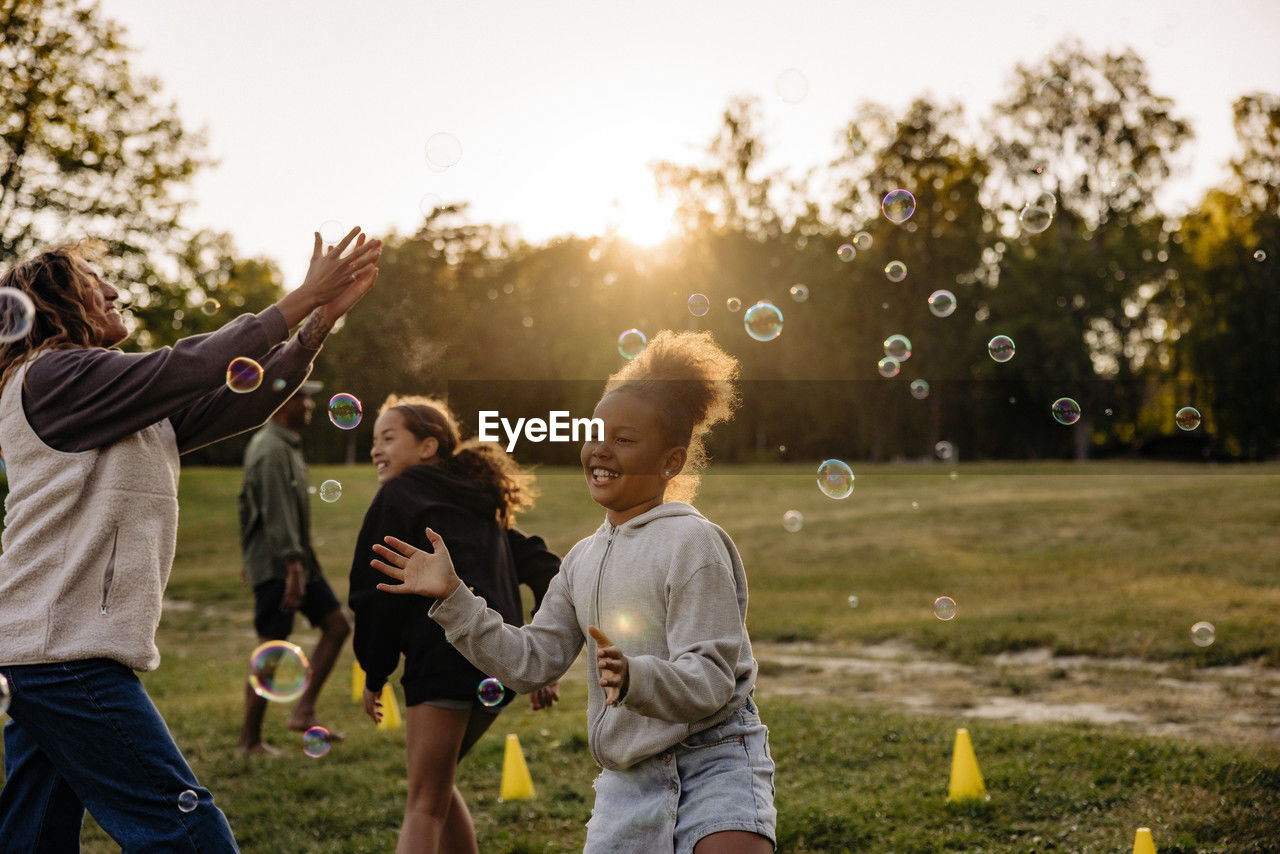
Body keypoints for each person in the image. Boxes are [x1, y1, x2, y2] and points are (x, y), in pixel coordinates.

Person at [0, 228, 380, 852]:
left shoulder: (106, 396)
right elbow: (190, 365)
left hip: (42, 652)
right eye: (99, 286)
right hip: (64, 651)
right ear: (62, 308)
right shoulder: (55, 375)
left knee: (33, 839)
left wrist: (315, 324)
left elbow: (237, 397)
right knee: (189, 834)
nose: (117, 292)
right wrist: (297, 297)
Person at [370, 331, 777, 854]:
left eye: (625, 440)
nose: (601, 450)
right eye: (595, 434)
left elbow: (714, 679)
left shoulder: (692, 543)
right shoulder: (583, 560)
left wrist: (636, 676)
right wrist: (454, 598)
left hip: (714, 757)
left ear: (671, 462)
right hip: (628, 777)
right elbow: (530, 663)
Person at [348, 395, 562, 854]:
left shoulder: (400, 495)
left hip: (442, 662)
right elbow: (548, 568)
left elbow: (374, 593)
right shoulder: (480, 497)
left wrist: (374, 670)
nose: (375, 449)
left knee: (423, 802)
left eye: (388, 437)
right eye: (373, 440)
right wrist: (544, 657)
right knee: (438, 789)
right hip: (497, 666)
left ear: (428, 447)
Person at [237, 379, 350, 757]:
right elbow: (276, 514)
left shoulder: (284, 446)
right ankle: (249, 742)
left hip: (296, 559)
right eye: (305, 398)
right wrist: (293, 571)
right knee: (271, 648)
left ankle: (303, 711)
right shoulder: (270, 450)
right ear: (285, 402)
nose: (311, 405)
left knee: (336, 625)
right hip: (281, 565)